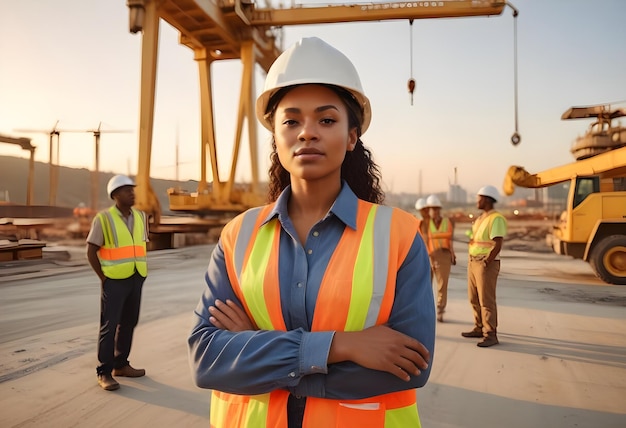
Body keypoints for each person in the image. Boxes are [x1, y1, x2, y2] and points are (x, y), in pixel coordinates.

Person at [188, 37, 435, 428]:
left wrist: (257, 347)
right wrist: (342, 346)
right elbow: (207, 359)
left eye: (326, 119)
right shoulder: (239, 235)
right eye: (291, 120)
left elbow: (410, 366)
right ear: (275, 134)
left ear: (352, 136)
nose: (307, 133)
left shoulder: (400, 235)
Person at [86, 174, 149, 391]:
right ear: (115, 195)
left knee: (130, 322)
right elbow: (91, 250)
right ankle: (104, 372)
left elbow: (139, 246)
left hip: (136, 276)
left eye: (133, 189)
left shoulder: (141, 217)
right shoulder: (103, 219)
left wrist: (141, 275)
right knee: (109, 326)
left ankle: (121, 364)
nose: (132, 193)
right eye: (126, 190)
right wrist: (103, 277)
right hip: (114, 280)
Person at [461, 185, 507, 347]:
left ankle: (490, 334)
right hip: (473, 261)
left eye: (479, 198)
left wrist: (486, 262)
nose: (476, 201)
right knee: (473, 298)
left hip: (485, 262)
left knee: (486, 300)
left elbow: (497, 243)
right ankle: (479, 327)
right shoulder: (481, 218)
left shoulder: (496, 218)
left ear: (487, 199)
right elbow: (474, 237)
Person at [424, 194, 456, 322]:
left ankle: (440, 309)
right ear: (428, 210)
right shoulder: (425, 223)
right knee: (426, 285)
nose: (435, 211)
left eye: (437, 209)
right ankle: (426, 309)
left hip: (443, 255)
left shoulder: (447, 222)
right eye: (432, 209)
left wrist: (452, 255)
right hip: (428, 256)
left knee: (442, 285)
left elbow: (451, 240)